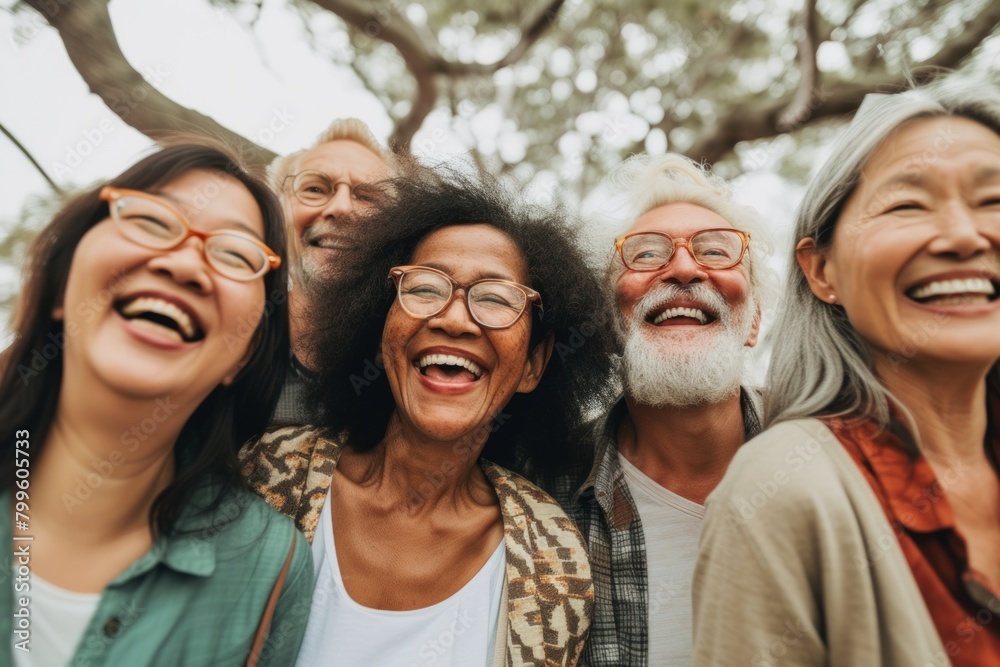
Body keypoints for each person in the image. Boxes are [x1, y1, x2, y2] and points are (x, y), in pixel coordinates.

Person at [240, 168, 617, 666]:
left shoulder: (554, 562)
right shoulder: (262, 476)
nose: (454, 319)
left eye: (496, 298)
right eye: (423, 288)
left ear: (533, 365)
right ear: (379, 334)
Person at [692, 74, 1000, 666]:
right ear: (822, 270)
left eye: (993, 200)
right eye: (908, 204)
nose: (965, 235)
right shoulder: (784, 489)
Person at [0, 141, 313, 666]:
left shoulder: (271, 569)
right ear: (60, 286)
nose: (185, 265)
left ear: (246, 353)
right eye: (149, 220)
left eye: (236, 254)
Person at [570, 153, 772, 666]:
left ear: (753, 324)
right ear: (609, 322)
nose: (683, 268)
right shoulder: (537, 483)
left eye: (716, 251)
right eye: (645, 255)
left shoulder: (837, 453)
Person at [267, 119, 392, 426]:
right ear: (276, 212)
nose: (342, 207)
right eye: (314, 188)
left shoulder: (412, 357)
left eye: (367, 196)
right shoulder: (224, 337)